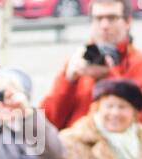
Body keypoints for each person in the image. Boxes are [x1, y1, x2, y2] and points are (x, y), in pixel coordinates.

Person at [42, 0, 142, 131]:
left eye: (112, 18)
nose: (104, 25)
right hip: (75, 147)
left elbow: (134, 123)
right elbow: (46, 125)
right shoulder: (78, 62)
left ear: (127, 22)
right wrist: (68, 81)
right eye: (98, 18)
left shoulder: (137, 63)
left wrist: (108, 77)